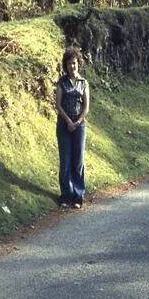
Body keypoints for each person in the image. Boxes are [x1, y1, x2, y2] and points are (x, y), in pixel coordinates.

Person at [55, 47, 90, 209]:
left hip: (79, 125)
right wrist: (68, 121)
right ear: (66, 65)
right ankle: (66, 195)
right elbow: (58, 105)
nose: (72, 66)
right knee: (65, 161)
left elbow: (86, 107)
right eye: (69, 64)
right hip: (63, 125)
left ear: (78, 64)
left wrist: (77, 122)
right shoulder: (61, 83)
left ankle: (78, 196)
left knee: (78, 161)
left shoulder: (83, 83)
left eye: (74, 63)